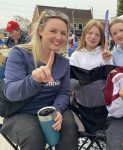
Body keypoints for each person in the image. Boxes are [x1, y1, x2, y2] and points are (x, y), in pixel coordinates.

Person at [1, 9, 78, 150]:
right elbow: (10, 92)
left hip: (52, 109)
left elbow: (64, 92)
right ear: (41, 31)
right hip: (22, 112)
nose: (59, 37)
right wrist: (34, 80)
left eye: (63, 33)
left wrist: (58, 110)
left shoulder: (63, 62)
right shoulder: (20, 54)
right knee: (34, 137)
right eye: (53, 31)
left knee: (70, 130)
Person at [69, 19, 113, 133]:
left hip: (103, 107)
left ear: (101, 38)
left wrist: (107, 62)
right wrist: (84, 80)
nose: (93, 37)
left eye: (97, 34)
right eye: (90, 33)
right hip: (83, 106)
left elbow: (112, 81)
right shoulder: (76, 56)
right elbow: (71, 83)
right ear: (84, 35)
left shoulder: (105, 54)